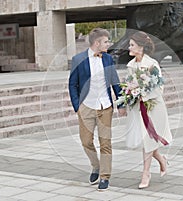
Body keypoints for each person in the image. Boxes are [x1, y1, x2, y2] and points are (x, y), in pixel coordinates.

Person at [69, 28, 126, 191]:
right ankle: (96, 166)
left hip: (105, 106)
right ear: (97, 43)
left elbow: (115, 81)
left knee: (105, 143)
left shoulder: (108, 58)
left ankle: (104, 176)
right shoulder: (78, 59)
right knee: (86, 142)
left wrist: (121, 103)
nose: (109, 44)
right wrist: (77, 106)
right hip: (86, 106)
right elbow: (72, 84)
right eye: (106, 41)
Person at [125, 31, 173, 189]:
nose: (129, 47)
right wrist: (130, 93)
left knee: (148, 140)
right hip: (139, 107)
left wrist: (142, 92)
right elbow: (128, 84)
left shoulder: (152, 64)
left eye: (132, 45)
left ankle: (145, 173)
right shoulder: (131, 65)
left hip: (154, 107)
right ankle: (161, 160)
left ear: (141, 47)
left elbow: (159, 87)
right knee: (147, 140)